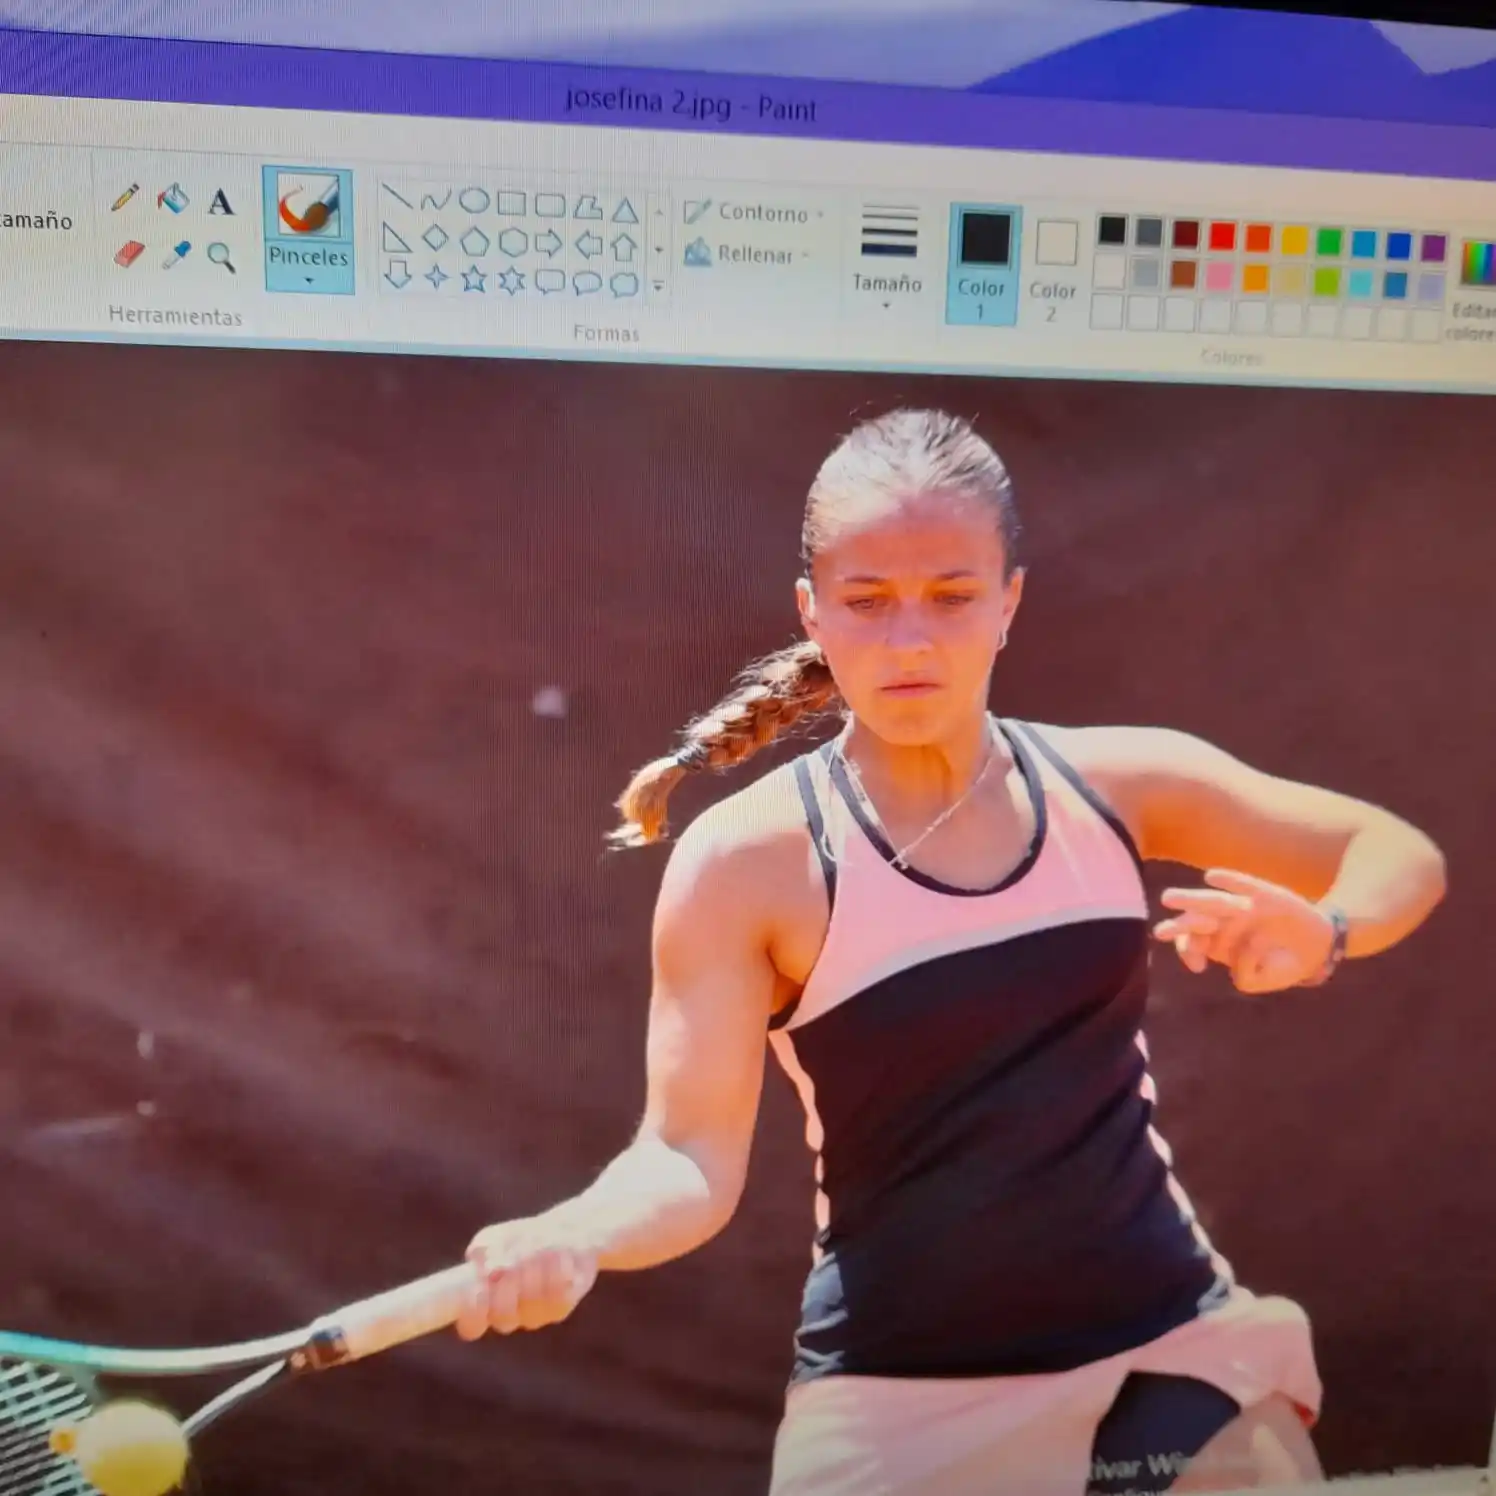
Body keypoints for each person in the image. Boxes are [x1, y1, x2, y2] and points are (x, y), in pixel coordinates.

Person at [454, 409, 1447, 1494]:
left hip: (1165, 1343)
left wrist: (1327, 930)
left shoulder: (1116, 782)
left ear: (1010, 599)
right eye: (867, 602)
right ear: (811, 612)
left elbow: (1391, 852)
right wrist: (576, 1231)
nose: (910, 639)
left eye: (952, 595)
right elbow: (685, 1156)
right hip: (895, 1399)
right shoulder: (744, 859)